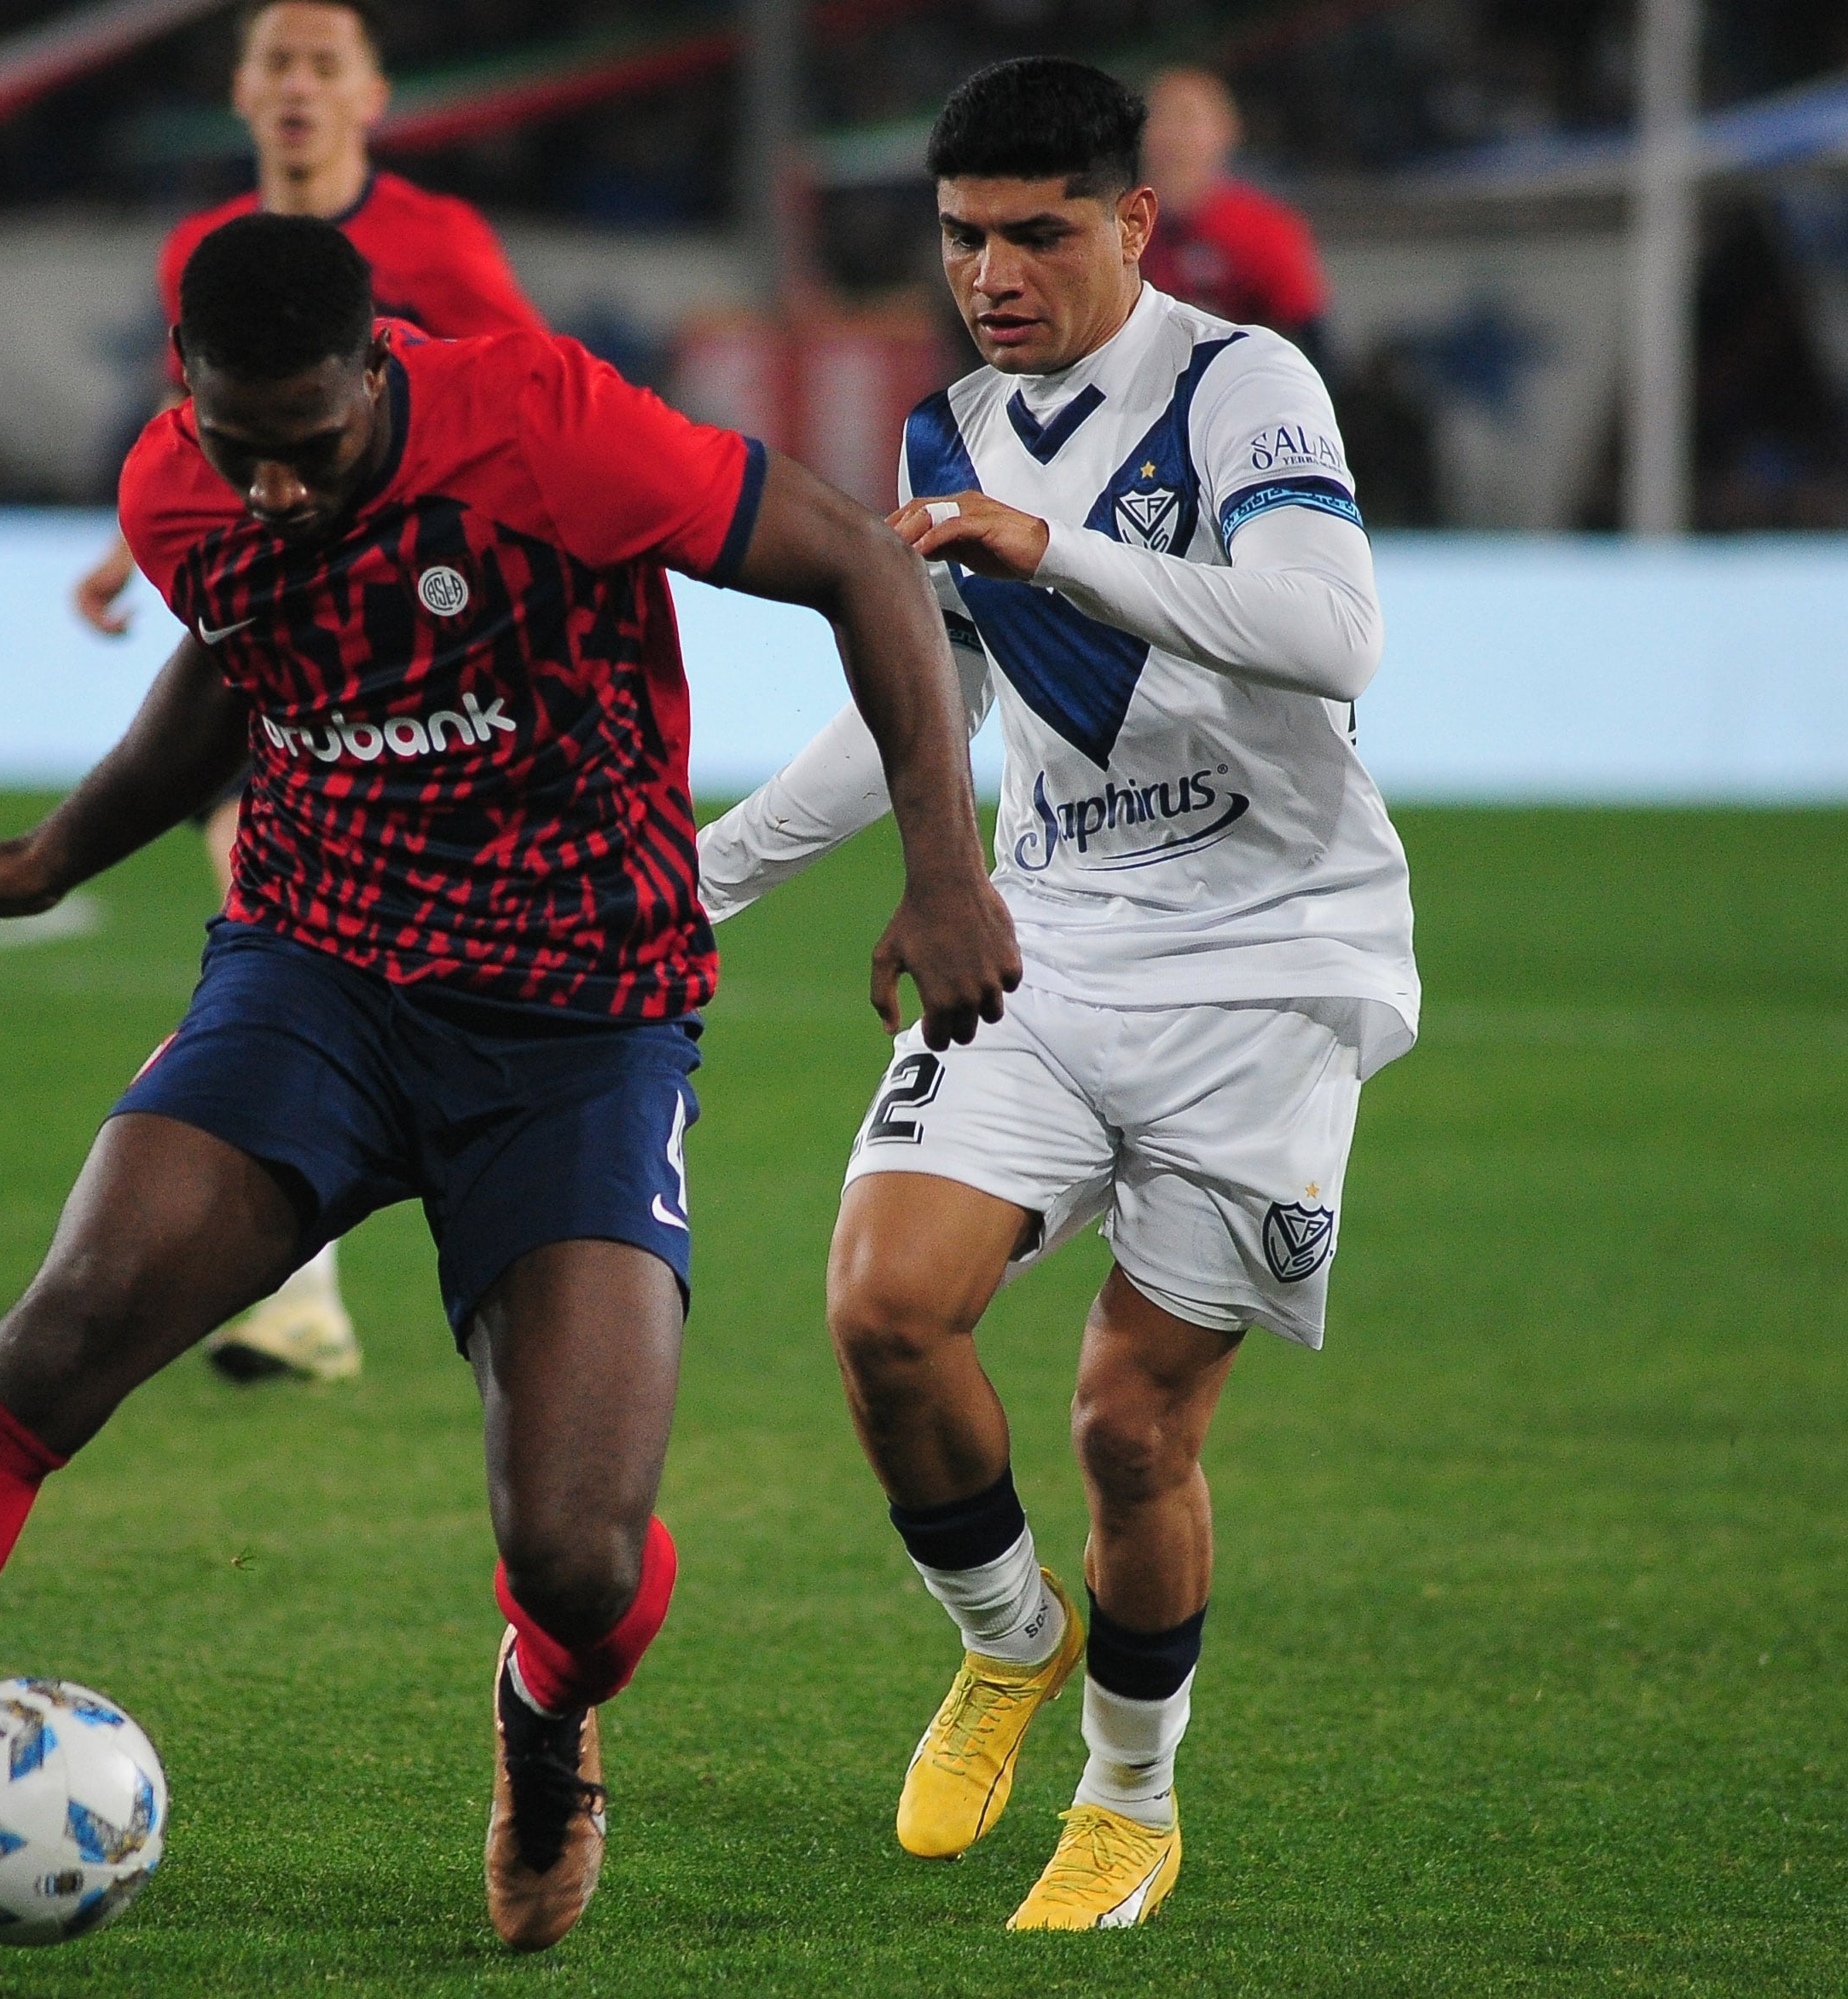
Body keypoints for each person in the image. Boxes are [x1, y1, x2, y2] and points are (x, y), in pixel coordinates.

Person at [0, 213, 1017, 1960]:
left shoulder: (548, 430)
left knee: (572, 1549)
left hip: (574, 1015)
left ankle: (545, 1716)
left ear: (378, 371)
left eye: (307, 446)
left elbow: (859, 561)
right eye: (232, 443)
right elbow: (231, 672)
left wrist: (944, 866)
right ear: (183, 387)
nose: (265, 486)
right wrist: (50, 856)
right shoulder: (180, 489)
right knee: (58, 1333)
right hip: (315, 972)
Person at [697, 57, 1414, 1931]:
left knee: (1125, 1426)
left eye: (1031, 232)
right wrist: (706, 875)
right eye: (958, 236)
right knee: (882, 1307)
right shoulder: (948, 435)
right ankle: (1007, 1636)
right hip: (1049, 931)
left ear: (1125, 226)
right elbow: (913, 708)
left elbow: (1332, 632)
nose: (990, 271)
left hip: (1268, 964)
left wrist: (1057, 549)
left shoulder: (1237, 382)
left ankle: (1127, 1791)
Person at [74, 0, 549, 1383]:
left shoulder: (439, 243)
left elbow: (535, 395)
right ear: (239, 91)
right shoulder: (198, 253)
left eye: (320, 63)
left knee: (293, 938)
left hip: (407, 655)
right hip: (275, 641)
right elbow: (209, 433)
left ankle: (310, 1254)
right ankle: (302, 1285)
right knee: (267, 912)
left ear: (372, 94)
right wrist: (120, 553)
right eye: (274, 62)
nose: (295, 86)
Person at [1138, 67, 1328, 362]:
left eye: (1186, 119)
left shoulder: (1263, 229)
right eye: (1159, 118)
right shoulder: (1114, 227)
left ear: (1225, 133)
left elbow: (1307, 339)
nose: (1171, 137)